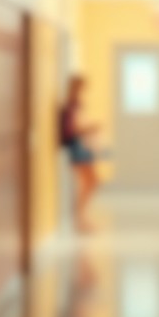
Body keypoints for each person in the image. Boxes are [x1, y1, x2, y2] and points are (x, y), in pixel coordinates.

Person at [60, 76, 101, 233]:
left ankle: (82, 217)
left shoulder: (77, 105)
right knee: (91, 182)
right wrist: (91, 128)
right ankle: (80, 218)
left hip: (81, 145)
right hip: (78, 146)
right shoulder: (71, 106)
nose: (83, 91)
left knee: (89, 183)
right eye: (81, 88)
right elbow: (75, 129)